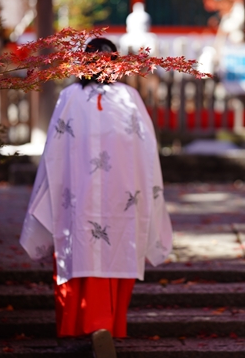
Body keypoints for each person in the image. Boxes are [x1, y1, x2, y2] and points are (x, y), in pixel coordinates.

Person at [19, 38, 173, 357]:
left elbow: (145, 153)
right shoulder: (70, 97)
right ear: (86, 62)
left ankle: (107, 325)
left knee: (117, 248)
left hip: (121, 195)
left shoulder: (129, 98)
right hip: (78, 195)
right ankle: (81, 324)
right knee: (79, 248)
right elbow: (54, 155)